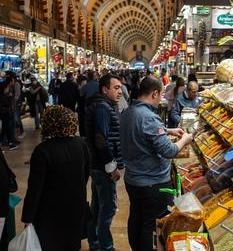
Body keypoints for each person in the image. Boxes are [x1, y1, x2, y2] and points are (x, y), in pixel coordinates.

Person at [120, 76, 193, 251]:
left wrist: (168, 130)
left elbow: (141, 131)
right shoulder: (149, 118)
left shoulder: (128, 112)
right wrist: (184, 139)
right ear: (154, 93)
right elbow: (168, 150)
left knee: (136, 217)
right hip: (152, 183)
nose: (161, 98)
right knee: (150, 224)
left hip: (133, 180)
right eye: (160, 94)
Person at [22, 105, 90, 251]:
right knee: (71, 243)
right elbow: (85, 175)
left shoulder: (43, 150)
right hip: (75, 205)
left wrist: (28, 217)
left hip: (49, 210)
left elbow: (35, 188)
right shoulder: (81, 144)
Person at [85, 74, 123, 251]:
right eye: (116, 88)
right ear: (104, 89)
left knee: (98, 207)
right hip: (103, 167)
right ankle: (105, 246)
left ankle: (95, 243)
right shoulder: (102, 107)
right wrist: (111, 166)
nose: (120, 91)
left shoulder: (102, 105)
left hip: (97, 165)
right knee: (107, 209)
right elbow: (101, 139)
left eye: (120, 88)